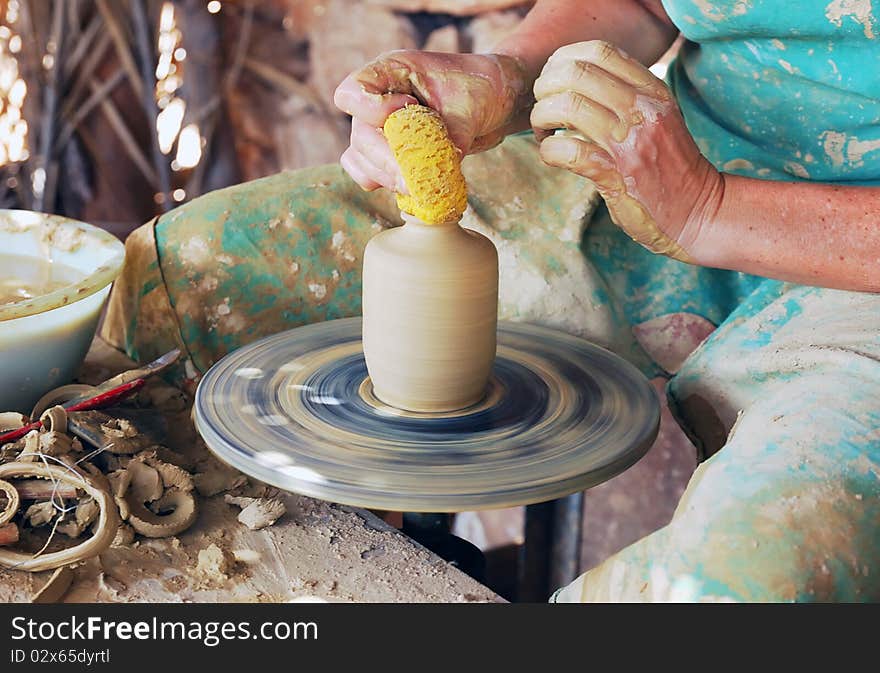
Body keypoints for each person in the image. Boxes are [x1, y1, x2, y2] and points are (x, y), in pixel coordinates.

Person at [104, 0, 880, 601]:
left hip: (851, 262)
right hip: (666, 150)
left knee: (743, 581)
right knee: (184, 274)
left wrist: (709, 210)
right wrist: (508, 76)